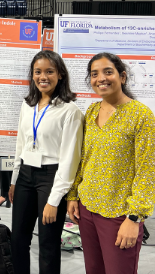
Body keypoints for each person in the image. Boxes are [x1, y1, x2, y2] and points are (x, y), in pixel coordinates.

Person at [68, 52, 155, 274]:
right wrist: (73, 195)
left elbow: (148, 171)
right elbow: (84, 157)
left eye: (108, 72)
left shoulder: (141, 116)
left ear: (122, 77)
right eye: (94, 74)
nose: (101, 79)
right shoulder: (92, 111)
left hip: (119, 213)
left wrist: (134, 218)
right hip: (87, 209)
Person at [4, 50, 85, 274]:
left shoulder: (70, 111)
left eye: (49, 71)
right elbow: (21, 144)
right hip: (25, 175)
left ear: (60, 74)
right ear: (32, 75)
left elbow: (70, 159)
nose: (43, 77)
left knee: (48, 244)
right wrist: (14, 180)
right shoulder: (27, 105)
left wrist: (55, 199)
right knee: (18, 240)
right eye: (38, 72)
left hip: (51, 177)